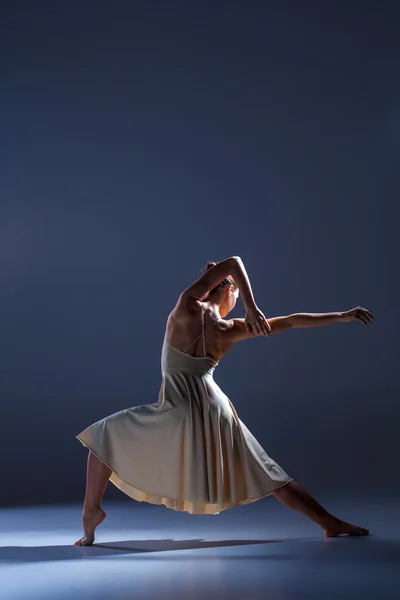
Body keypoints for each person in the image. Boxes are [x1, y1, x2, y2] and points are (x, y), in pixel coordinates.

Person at [75, 256, 374, 546]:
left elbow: (233, 263)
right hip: (215, 410)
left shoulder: (185, 307)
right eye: (236, 294)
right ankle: (330, 523)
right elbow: (292, 322)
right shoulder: (230, 329)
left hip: (177, 410)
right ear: (229, 289)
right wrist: (340, 315)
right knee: (269, 473)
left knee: (103, 436)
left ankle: (91, 512)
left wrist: (250, 306)